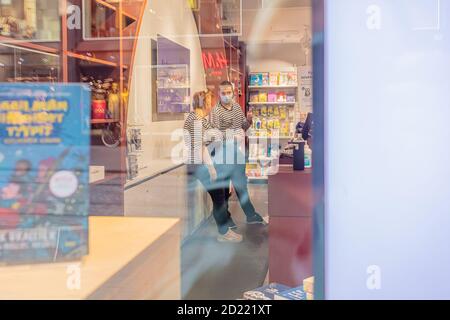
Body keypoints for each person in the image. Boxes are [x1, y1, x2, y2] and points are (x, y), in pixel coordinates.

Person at [184, 91, 243, 243]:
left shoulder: (196, 118)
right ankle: (223, 233)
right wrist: (212, 170)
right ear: (204, 103)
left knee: (221, 193)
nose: (211, 105)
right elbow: (200, 148)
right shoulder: (196, 120)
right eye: (210, 102)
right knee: (219, 196)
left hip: (199, 163)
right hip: (199, 165)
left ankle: (225, 228)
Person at [209, 81, 267, 226]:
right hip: (222, 155)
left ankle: (251, 215)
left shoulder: (236, 107)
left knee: (241, 186)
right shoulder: (215, 111)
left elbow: (243, 127)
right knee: (222, 192)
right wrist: (230, 136)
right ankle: (225, 220)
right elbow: (214, 135)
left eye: (229, 92)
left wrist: (249, 121)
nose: (227, 95)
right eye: (223, 93)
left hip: (236, 153)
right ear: (219, 94)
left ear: (233, 92)